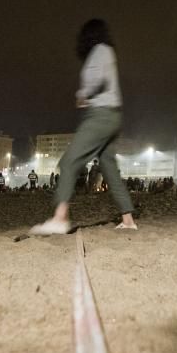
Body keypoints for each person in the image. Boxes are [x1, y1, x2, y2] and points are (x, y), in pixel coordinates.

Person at [30, 19, 137, 234]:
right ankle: (128, 220)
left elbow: (99, 80)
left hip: (100, 116)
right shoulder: (108, 51)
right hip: (112, 116)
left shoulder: (99, 50)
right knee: (109, 169)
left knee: (68, 162)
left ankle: (60, 218)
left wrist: (83, 94)